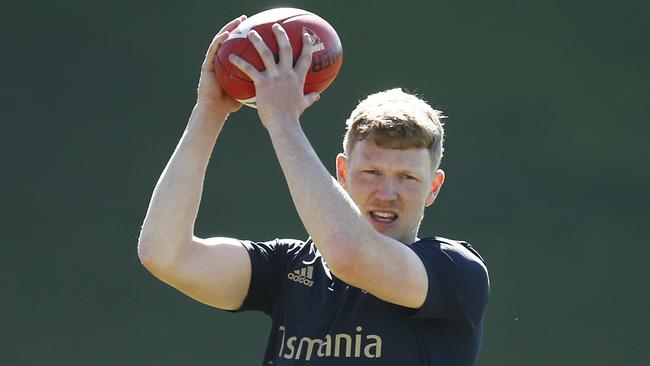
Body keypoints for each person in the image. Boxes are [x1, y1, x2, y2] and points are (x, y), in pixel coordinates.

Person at [138, 15, 490, 366]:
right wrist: (210, 111)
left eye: (407, 178)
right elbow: (164, 253)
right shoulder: (289, 268)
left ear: (434, 187)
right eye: (370, 172)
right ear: (342, 173)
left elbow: (350, 256)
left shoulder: (455, 271)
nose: (386, 193)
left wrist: (283, 121)